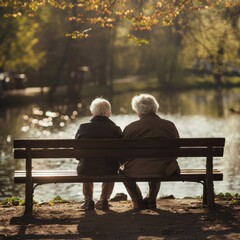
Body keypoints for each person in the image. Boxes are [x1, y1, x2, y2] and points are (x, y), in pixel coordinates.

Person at [121, 93, 180, 210]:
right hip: (165, 169)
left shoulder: (131, 128)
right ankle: (151, 199)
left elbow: (122, 154)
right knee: (157, 163)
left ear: (139, 111)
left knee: (123, 173)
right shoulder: (169, 125)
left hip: (137, 170)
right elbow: (176, 150)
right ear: (155, 108)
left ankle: (137, 201)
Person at [75, 97, 122, 210]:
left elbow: (77, 154)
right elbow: (120, 154)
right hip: (109, 169)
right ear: (109, 113)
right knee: (112, 165)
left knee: (86, 164)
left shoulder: (83, 128)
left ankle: (88, 200)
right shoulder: (115, 129)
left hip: (86, 168)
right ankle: (103, 199)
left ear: (92, 112)